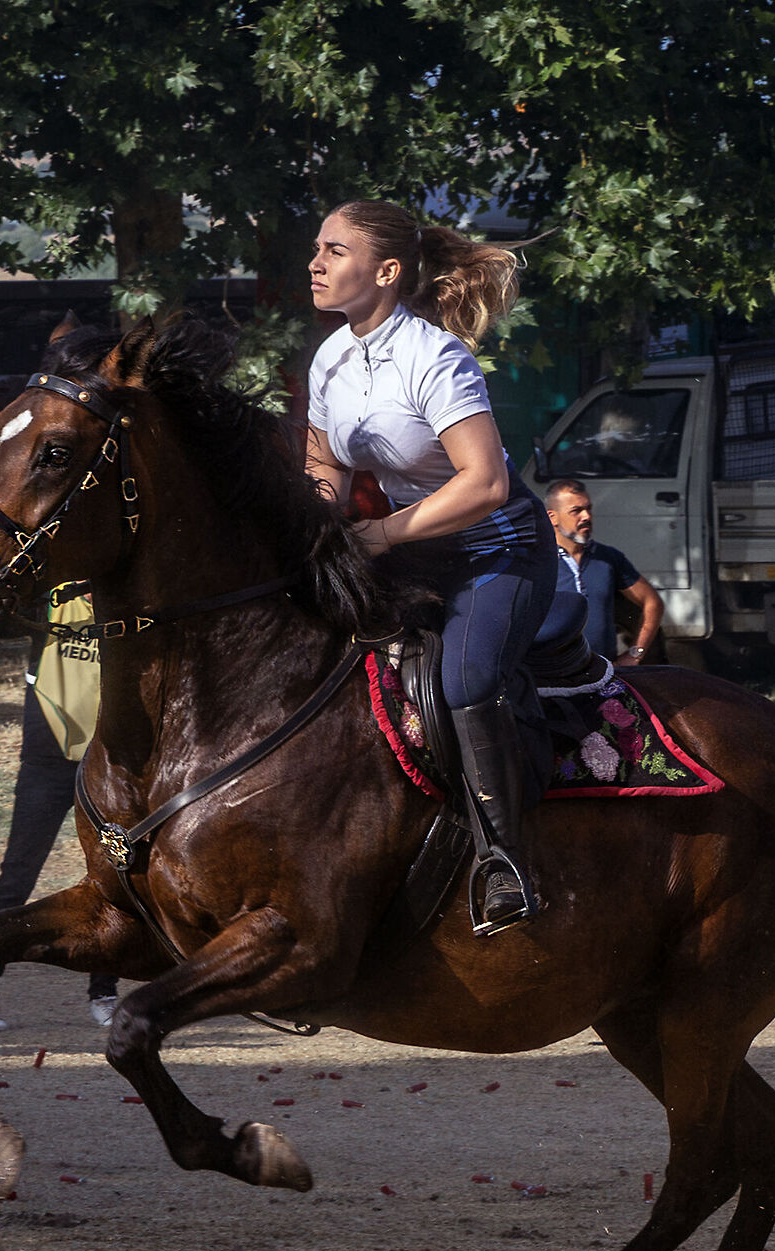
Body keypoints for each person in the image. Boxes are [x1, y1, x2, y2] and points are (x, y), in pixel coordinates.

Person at [305, 199, 550, 934]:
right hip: (417, 547)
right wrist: (315, 524)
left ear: (386, 272)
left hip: (500, 549)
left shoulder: (435, 356)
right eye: (317, 248)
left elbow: (486, 484)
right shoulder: (329, 358)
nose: (314, 263)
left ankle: (504, 862)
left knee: (464, 681)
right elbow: (324, 466)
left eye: (335, 251)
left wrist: (379, 535)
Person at [0, 585, 120, 1033]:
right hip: (47, 761)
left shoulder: (126, 604)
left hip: (109, 761)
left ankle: (105, 993)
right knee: (17, 876)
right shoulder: (51, 598)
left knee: (115, 878)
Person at [546, 479, 664, 667]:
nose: (586, 516)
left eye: (588, 509)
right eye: (576, 511)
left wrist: (635, 654)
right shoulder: (537, 561)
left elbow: (652, 602)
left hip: (603, 672)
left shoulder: (608, 557)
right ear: (553, 517)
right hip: (550, 673)